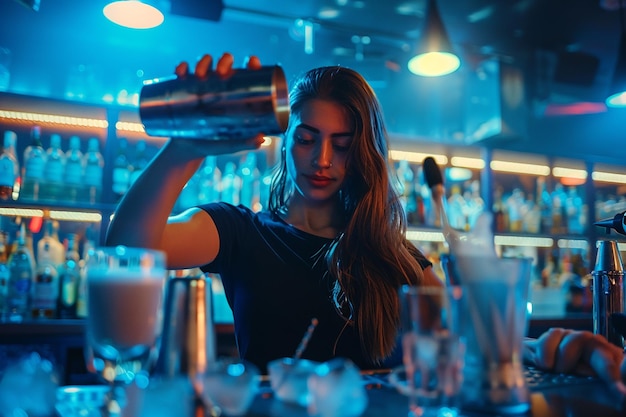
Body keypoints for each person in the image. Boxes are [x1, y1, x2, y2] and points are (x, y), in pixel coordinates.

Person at [106, 53, 626, 393]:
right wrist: (187, 147)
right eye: (307, 138)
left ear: (366, 154)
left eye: (344, 143)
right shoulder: (239, 232)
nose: (323, 160)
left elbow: (475, 341)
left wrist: (555, 348)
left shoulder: (395, 256)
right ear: (285, 143)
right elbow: (127, 246)